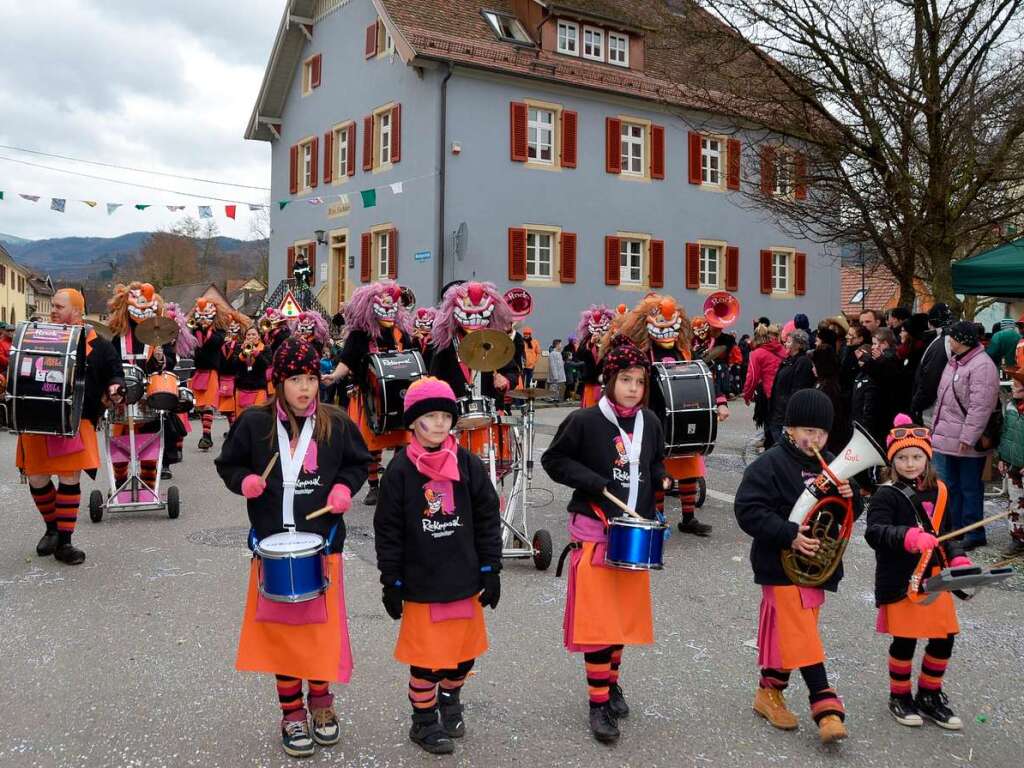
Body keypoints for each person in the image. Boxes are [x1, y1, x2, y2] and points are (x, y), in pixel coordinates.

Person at [215, 336, 371, 759]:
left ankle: (321, 704)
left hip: (324, 548)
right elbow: (228, 464)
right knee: (284, 638)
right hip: (272, 548)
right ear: (279, 382)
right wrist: (243, 482)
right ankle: (291, 713)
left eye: (311, 379)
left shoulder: (335, 422)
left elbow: (360, 463)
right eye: (296, 380)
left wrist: (344, 488)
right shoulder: (254, 424)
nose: (305, 388)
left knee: (319, 634)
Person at [542, 334, 668, 745]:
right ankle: (597, 704)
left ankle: (611, 684)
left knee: (621, 622)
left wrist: (659, 488)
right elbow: (554, 460)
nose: (633, 388)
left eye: (639, 381)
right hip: (595, 531)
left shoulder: (650, 421)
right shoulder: (584, 421)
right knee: (599, 624)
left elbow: (653, 462)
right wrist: (592, 482)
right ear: (609, 379)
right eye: (626, 379)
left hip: (634, 531)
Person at [374, 377, 501, 755]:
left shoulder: (467, 464)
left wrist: (491, 568)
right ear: (413, 422)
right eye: (431, 416)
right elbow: (388, 530)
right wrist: (390, 580)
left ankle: (450, 698)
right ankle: (424, 720)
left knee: (463, 655)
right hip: (422, 582)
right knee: (427, 661)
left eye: (446, 415)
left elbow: (486, 516)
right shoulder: (399, 471)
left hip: (463, 577)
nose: (441, 423)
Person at [734, 389, 858, 744]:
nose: (814, 440)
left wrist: (853, 499)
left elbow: (843, 519)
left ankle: (768, 693)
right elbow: (748, 510)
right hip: (780, 564)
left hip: (816, 566)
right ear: (789, 429)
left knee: (791, 631)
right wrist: (789, 534)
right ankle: (825, 703)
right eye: (806, 431)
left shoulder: (832, 464)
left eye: (820, 433)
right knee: (801, 629)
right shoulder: (768, 464)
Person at [865, 414, 970, 729]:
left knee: (944, 638)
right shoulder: (885, 494)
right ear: (892, 460)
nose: (910, 463)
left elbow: (949, 534)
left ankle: (929, 693)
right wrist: (908, 537)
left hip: (935, 578)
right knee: (905, 640)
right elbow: (875, 533)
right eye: (902, 457)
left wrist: (959, 559)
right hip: (901, 579)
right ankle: (899, 696)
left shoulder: (940, 491)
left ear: (927, 457)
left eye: (916, 457)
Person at [16, 289, 124, 565]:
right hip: (36, 416)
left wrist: (115, 386)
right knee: (38, 479)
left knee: (68, 479)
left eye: (58, 306)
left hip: (76, 420)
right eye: (52, 305)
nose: (52, 310)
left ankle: (65, 542)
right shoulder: (37, 338)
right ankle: (52, 528)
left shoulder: (99, 345)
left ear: (76, 311)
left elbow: (115, 373)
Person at [930, 321, 1000, 549]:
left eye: (952, 337)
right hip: (947, 436)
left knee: (970, 487)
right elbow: (943, 400)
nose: (949, 341)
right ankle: (956, 528)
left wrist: (968, 437)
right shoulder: (956, 361)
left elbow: (981, 407)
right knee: (950, 485)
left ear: (963, 341)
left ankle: (974, 532)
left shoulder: (982, 366)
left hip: (965, 440)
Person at [765, 329, 814, 449]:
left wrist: (788, 409)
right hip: (778, 411)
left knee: (784, 446)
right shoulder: (789, 360)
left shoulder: (802, 362)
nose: (785, 344)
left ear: (798, 345)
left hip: (785, 413)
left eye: (789, 342)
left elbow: (798, 388)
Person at [743, 323, 786, 453]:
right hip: (784, 392)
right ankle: (773, 450)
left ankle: (780, 454)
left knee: (771, 426)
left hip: (768, 393)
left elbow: (752, 377)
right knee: (778, 424)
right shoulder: (782, 349)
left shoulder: (756, 354)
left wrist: (747, 395)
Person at [911, 303, 954, 426]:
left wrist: (917, 404)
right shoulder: (943, 340)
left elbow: (931, 379)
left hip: (933, 411)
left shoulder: (942, 342)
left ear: (930, 322)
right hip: (938, 408)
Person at [997, 379, 1024, 555]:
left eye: (1018, 383)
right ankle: (1018, 538)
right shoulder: (1011, 406)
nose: (1013, 386)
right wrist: (1002, 457)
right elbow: (1006, 434)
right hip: (1013, 464)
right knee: (1015, 502)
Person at [811, 347, 851, 454]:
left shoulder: (830, 387)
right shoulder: (822, 382)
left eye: (815, 366)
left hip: (829, 439)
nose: (813, 369)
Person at [233, 325, 272, 413]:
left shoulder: (266, 349)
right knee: (241, 418)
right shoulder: (239, 348)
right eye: (248, 335)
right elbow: (234, 366)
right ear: (245, 336)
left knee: (258, 416)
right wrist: (243, 354)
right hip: (241, 387)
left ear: (258, 336)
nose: (251, 337)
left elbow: (266, 365)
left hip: (259, 388)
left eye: (254, 334)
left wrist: (256, 353)